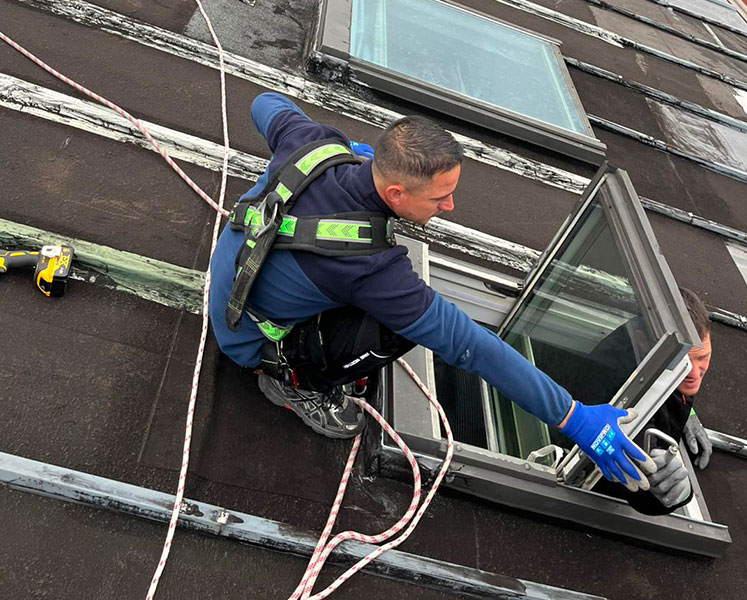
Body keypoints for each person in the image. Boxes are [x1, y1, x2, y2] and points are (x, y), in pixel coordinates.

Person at [209, 92, 656, 491]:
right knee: (400, 329)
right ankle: (291, 383)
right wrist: (575, 419)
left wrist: (347, 150)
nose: (449, 206)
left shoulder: (313, 144)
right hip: (248, 338)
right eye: (438, 198)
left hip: (236, 276)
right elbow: (469, 345)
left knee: (374, 303)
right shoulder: (370, 267)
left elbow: (264, 102)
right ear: (397, 193)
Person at [597, 288, 714, 514]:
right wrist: (680, 492)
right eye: (684, 361)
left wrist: (688, 413)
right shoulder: (628, 399)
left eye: (704, 358)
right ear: (644, 342)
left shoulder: (655, 342)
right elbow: (645, 490)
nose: (695, 372)